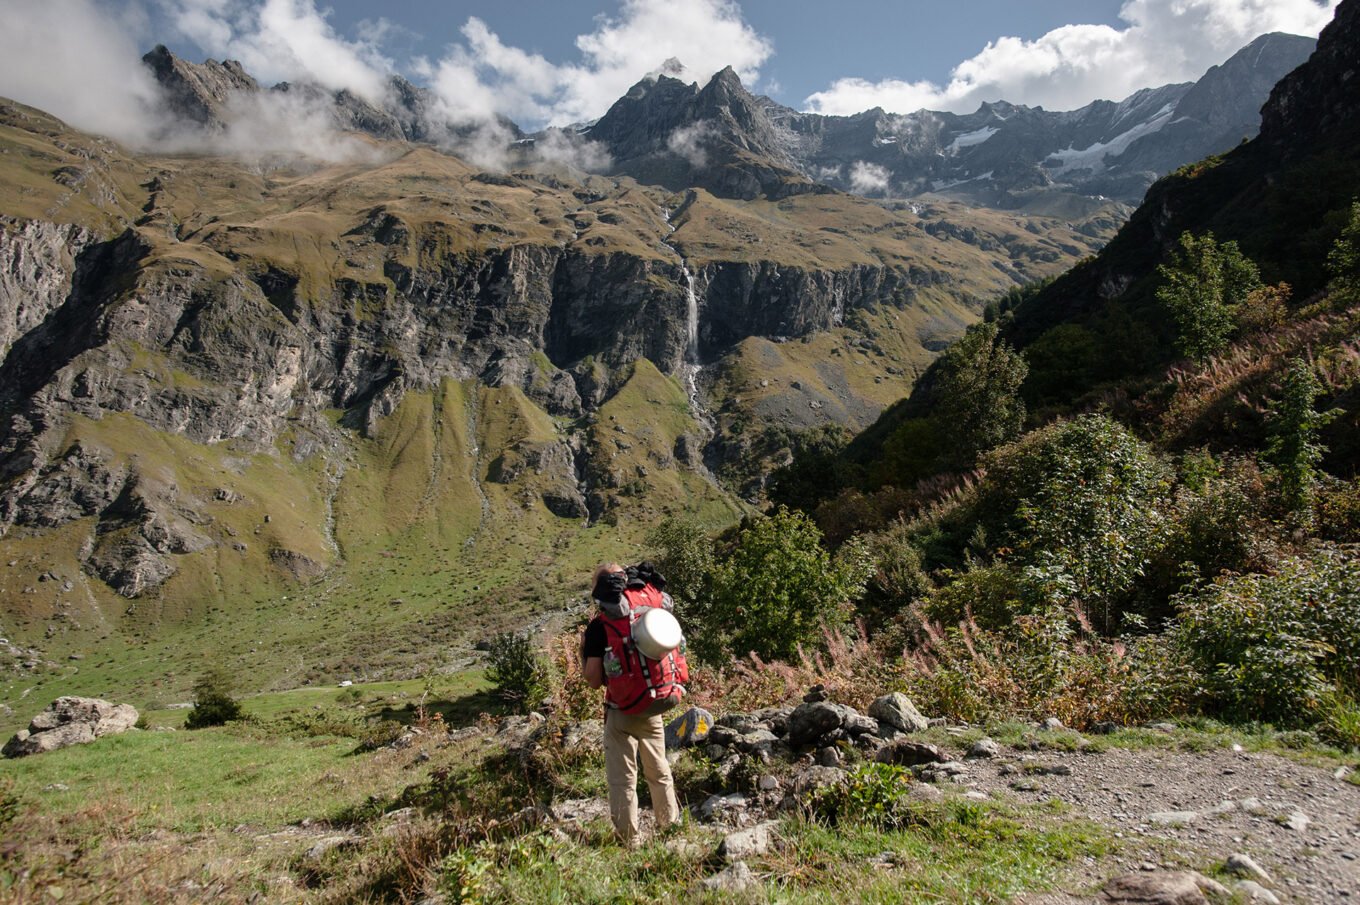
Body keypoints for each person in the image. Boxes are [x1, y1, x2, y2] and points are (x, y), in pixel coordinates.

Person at [581, 562, 680, 845]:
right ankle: (670, 827)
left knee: (623, 779)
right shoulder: (650, 613)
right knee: (659, 769)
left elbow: (592, 678)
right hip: (653, 702)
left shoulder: (600, 626)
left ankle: (629, 839)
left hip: (621, 710)